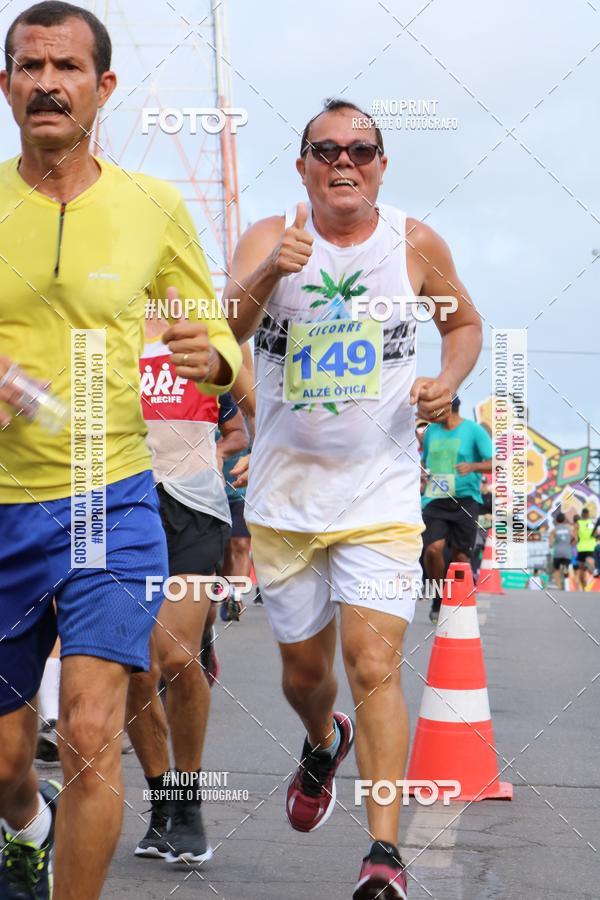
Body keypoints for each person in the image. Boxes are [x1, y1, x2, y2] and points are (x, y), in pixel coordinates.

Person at [0, 4, 241, 898]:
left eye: (66, 67)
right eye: (29, 67)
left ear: (102, 87)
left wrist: (215, 358)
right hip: (5, 505)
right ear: (5, 85)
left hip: (110, 497)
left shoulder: (153, 205)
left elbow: (213, 330)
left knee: (92, 729)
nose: (47, 83)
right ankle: (29, 825)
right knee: (6, 763)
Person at [224, 98, 483, 899]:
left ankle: (383, 854)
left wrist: (447, 380)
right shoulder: (269, 237)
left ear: (381, 166)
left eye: (361, 151)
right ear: (303, 165)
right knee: (305, 674)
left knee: (373, 663)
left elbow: (464, 325)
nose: (345, 162)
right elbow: (225, 328)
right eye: (327, 150)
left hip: (380, 496)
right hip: (285, 502)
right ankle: (319, 739)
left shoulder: (414, 244)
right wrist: (270, 272)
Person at [125, 318, 245, 865]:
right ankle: (162, 804)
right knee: (136, 668)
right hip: (122, 504)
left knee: (175, 656)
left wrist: (224, 456)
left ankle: (190, 802)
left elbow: (240, 423)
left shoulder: (201, 332)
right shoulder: (103, 325)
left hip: (193, 505)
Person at [421, 397, 493, 622]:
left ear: (450, 408)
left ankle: (458, 606)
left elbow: (496, 462)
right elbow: (424, 461)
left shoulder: (473, 431)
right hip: (435, 499)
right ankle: (438, 599)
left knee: (460, 556)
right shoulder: (431, 432)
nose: (432, 414)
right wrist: (422, 473)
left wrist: (473, 466)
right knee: (432, 550)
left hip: (465, 500)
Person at [550, 511, 573, 589]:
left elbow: (551, 544)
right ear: (564, 520)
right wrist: (569, 543)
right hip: (567, 552)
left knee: (556, 569)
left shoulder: (554, 530)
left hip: (558, 552)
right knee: (566, 567)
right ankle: (567, 585)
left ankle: (558, 585)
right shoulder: (569, 528)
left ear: (556, 520)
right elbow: (574, 538)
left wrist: (551, 545)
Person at [574, 507, 596, 590]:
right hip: (586, 548)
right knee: (582, 570)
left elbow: (575, 535)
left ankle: (593, 575)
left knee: (584, 568)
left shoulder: (580, 523)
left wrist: (576, 540)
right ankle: (584, 588)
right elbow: (596, 534)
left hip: (586, 548)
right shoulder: (589, 523)